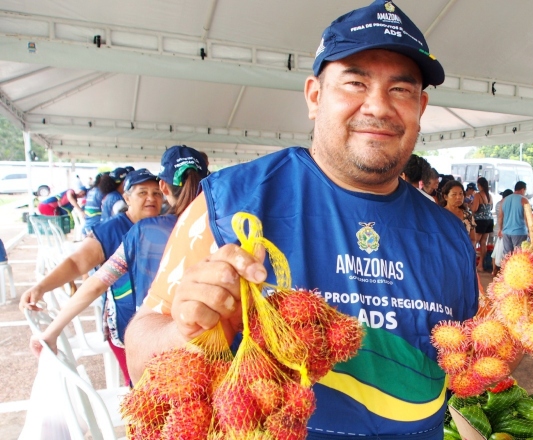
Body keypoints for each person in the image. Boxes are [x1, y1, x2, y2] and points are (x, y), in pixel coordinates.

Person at [124, 2, 480, 438]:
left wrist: (525, 312)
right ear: (315, 96)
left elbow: (466, 366)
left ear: (420, 106)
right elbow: (141, 354)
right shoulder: (228, 204)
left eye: (401, 90)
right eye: (355, 82)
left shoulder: (449, 234)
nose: (379, 107)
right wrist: (185, 330)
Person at [28, 147, 208, 387]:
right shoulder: (225, 228)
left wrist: (52, 332)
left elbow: (97, 283)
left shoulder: (143, 232)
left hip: (152, 345)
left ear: (164, 189)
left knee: (151, 413)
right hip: (208, 349)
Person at [497, 181, 530, 255]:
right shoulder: (524, 200)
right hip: (519, 232)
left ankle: (505, 267)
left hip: (506, 232)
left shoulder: (504, 200)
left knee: (507, 256)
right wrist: (530, 231)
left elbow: (500, 216)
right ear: (522, 189)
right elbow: (527, 218)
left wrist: (500, 229)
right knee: (518, 256)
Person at [471, 177, 494, 271]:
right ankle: (481, 265)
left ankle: (472, 264)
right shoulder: (490, 196)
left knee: (474, 241)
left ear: (479, 185)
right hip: (489, 220)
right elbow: (491, 208)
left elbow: (474, 209)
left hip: (480, 221)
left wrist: (470, 205)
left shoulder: (478, 195)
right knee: (483, 242)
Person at [491, 189, 513, 276]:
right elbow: (501, 217)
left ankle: (494, 270)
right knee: (500, 253)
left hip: (499, 230)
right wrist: (501, 229)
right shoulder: (505, 204)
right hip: (502, 231)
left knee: (496, 252)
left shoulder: (499, 203)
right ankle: (500, 271)